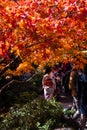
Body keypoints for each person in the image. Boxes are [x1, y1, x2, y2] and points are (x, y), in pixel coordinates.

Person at [77, 64, 87, 130]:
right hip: (83, 98)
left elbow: (78, 90)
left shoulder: (80, 77)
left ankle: (82, 128)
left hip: (83, 98)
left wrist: (78, 97)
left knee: (83, 115)